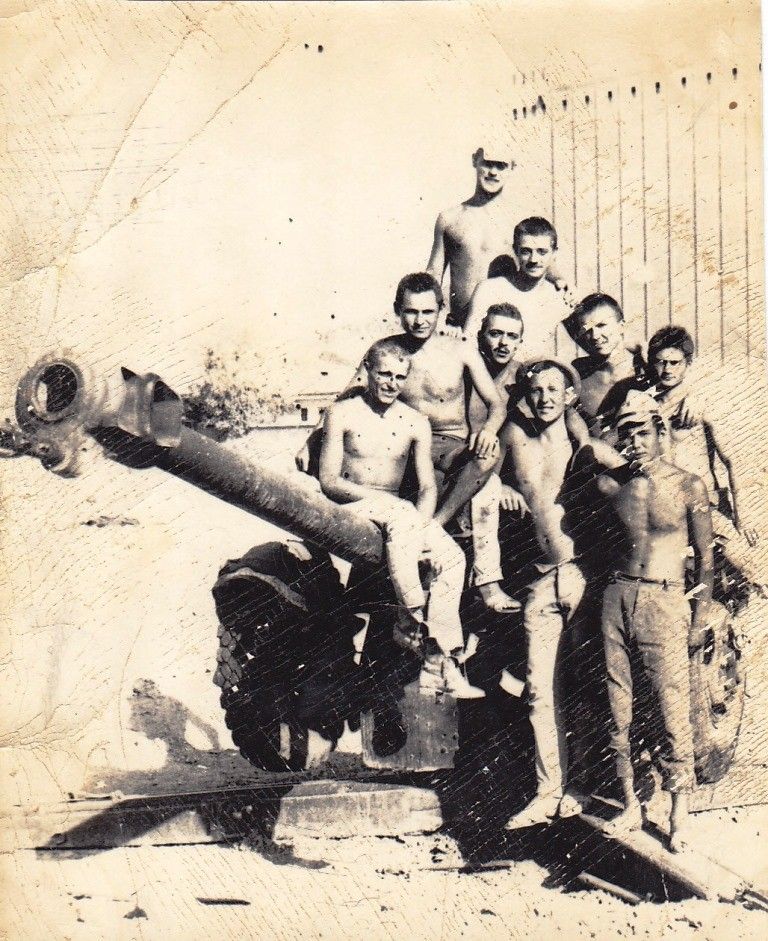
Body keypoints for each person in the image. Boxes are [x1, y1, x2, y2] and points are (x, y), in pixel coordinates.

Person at [318, 337, 484, 699]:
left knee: (452, 558)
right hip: (352, 506)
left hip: (400, 515)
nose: (391, 383)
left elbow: (426, 487)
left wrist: (422, 528)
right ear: (367, 371)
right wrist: (387, 502)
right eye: (384, 374)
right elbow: (329, 481)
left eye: (399, 376)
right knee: (401, 513)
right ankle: (409, 621)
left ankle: (439, 661)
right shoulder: (341, 413)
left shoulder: (414, 422)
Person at [497, 359, 620, 826]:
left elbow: (630, 473)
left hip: (581, 574)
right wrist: (496, 484)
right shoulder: (514, 438)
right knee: (540, 690)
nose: (545, 397)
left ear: (570, 396)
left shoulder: (583, 444)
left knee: (585, 684)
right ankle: (547, 791)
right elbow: (481, 467)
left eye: (555, 389)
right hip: (539, 578)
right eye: (538, 390)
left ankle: (581, 787)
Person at [595, 392, 718, 852]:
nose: (635, 442)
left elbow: (705, 560)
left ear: (660, 433)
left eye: (643, 432)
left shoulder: (689, 485)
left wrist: (699, 618)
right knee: (618, 706)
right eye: (627, 434)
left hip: (665, 601)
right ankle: (631, 804)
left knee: (672, 707)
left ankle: (678, 813)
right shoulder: (610, 485)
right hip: (617, 594)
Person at [297, 272, 506, 530]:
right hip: (403, 444)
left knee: (488, 455)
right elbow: (347, 395)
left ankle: (434, 525)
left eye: (428, 312)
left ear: (441, 309)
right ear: (398, 310)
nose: (420, 321)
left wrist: (489, 430)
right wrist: (311, 440)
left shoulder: (461, 350)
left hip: (450, 445)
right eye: (411, 312)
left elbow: (496, 404)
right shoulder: (387, 351)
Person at [427, 148, 566, 328]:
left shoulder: (519, 220)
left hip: (504, 328)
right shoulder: (450, 218)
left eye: (501, 166)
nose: (493, 172)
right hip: (459, 327)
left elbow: (542, 262)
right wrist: (436, 318)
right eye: (487, 163)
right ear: (475, 160)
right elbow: (434, 273)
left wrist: (561, 281)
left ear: (512, 167)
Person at [463, 217, 576, 359]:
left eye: (542, 252)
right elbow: (468, 343)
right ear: (515, 251)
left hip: (535, 371)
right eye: (526, 251)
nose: (534, 259)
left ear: (554, 253)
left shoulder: (561, 298)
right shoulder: (489, 289)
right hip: (488, 370)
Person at [565, 293, 645, 439]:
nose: (595, 335)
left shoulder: (645, 365)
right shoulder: (578, 371)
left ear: (621, 326)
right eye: (587, 330)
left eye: (601, 325)